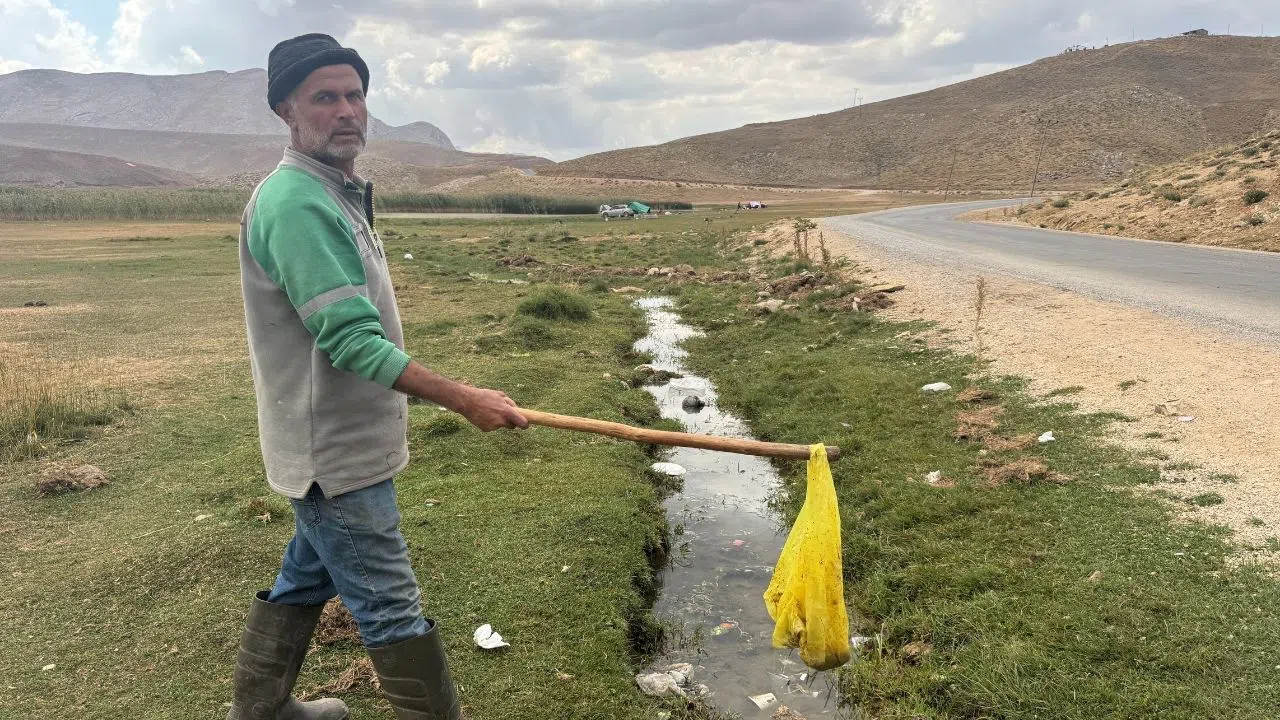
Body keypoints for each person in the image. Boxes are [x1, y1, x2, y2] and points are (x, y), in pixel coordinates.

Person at [228, 33, 528, 720]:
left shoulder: (330, 191)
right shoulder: (297, 202)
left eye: (355, 95)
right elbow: (352, 342)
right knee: (391, 610)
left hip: (337, 448)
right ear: (286, 109)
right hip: (335, 455)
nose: (346, 111)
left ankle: (264, 710)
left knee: (306, 576)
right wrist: (463, 398)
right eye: (325, 98)